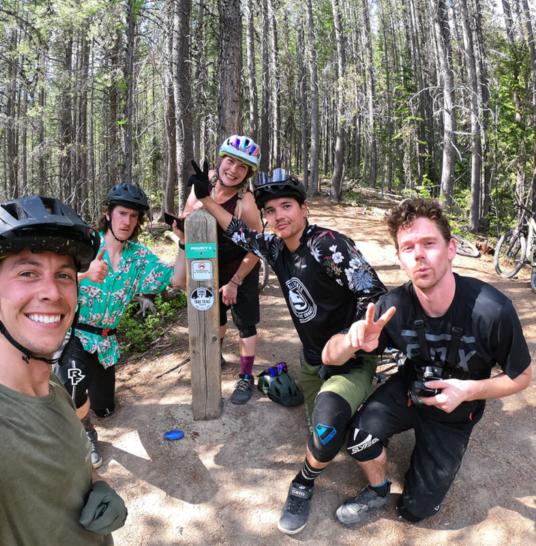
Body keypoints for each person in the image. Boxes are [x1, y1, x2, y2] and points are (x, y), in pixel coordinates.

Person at [187, 164, 388, 534]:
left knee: (326, 433)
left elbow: (372, 291)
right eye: (270, 210)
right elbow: (238, 232)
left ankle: (306, 484)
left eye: (286, 207)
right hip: (312, 363)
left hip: (351, 360)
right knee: (324, 430)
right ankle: (351, 420)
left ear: (304, 208)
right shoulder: (276, 248)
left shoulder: (327, 244)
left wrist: (356, 333)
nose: (278, 216)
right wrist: (203, 198)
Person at [324, 198, 532, 526]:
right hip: (411, 390)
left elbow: (521, 377)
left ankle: (428, 463)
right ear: (401, 259)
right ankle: (378, 489)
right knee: (358, 438)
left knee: (414, 512)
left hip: (457, 411)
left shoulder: (492, 310)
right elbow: (328, 355)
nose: (419, 254)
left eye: (429, 243)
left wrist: (468, 391)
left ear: (451, 250)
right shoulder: (393, 307)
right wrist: (351, 341)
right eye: (408, 247)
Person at [0, 196, 127, 546]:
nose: (52, 292)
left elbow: (77, 463)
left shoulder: (53, 386)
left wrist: (98, 483)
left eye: (64, 275)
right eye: (28, 273)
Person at [55, 182, 186, 467]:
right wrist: (85, 274)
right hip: (74, 333)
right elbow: (52, 281)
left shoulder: (138, 257)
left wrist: (184, 243)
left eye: (134, 216)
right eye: (122, 213)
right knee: (74, 387)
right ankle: (85, 431)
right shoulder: (84, 245)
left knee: (105, 408)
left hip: (106, 342)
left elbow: (177, 279)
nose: (127, 221)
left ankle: (78, 402)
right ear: (108, 213)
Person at [183, 136, 263, 405]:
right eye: (230, 161)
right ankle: (213, 354)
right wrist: (187, 221)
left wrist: (236, 281)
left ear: (249, 173)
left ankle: (245, 375)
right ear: (220, 159)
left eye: (243, 167)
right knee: (213, 314)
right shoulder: (203, 182)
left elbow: (256, 247)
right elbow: (184, 222)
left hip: (241, 268)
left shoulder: (246, 202)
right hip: (207, 266)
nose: (234, 170)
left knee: (245, 323)